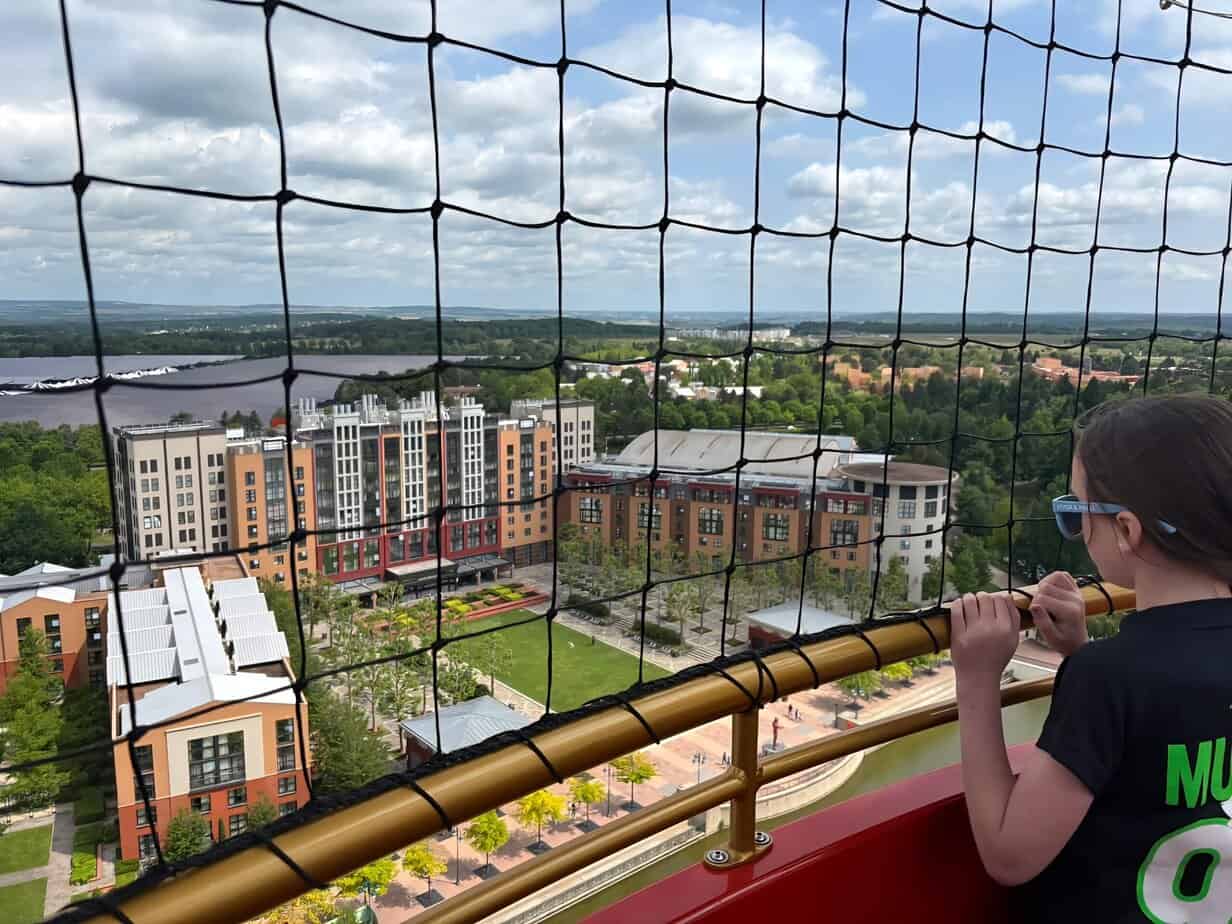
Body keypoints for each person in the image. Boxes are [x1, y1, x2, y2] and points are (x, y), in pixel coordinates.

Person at [949, 394, 1232, 922]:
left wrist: (978, 677)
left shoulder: (1110, 678)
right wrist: (1082, 652)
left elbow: (1010, 855)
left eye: (1078, 512)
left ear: (1125, 530)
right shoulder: (1115, 673)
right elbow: (1172, 724)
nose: (1078, 528)